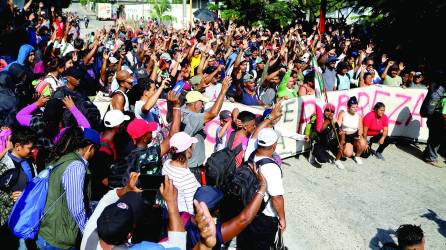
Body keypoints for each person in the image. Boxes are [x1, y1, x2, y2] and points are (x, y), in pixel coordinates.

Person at [81, 173, 189, 250]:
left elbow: (105, 200)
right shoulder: (144, 248)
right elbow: (178, 246)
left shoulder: (89, 235)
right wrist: (172, 203)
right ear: (129, 235)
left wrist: (127, 189)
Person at [38, 127, 100, 249]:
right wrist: (88, 233)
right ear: (91, 148)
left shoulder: (62, 158)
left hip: (48, 231)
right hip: (60, 238)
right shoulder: (76, 167)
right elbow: (76, 207)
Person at [238, 128, 285, 250]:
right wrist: (282, 218)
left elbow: (253, 135)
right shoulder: (271, 168)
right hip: (264, 217)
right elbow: (277, 197)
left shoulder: (250, 154)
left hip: (246, 209)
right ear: (274, 145)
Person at [181, 76, 231, 182]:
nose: (203, 105)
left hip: (188, 165)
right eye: (201, 102)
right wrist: (223, 91)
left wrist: (198, 89)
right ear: (194, 104)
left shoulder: (183, 110)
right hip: (191, 168)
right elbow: (213, 113)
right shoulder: (193, 117)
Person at [89, 110, 130, 203]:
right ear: (118, 126)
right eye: (123, 124)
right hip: (100, 197)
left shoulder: (101, 136)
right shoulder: (104, 152)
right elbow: (104, 181)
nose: (124, 126)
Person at [162, 132, 201, 214]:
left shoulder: (166, 163)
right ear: (188, 150)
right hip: (182, 218)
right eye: (191, 146)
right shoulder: (187, 177)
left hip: (168, 211)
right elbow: (192, 208)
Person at [337, 96, 368, 165]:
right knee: (347, 154)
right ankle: (351, 149)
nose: (355, 109)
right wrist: (339, 130)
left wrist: (359, 137)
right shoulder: (343, 114)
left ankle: (357, 156)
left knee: (363, 142)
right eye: (353, 107)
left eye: (356, 107)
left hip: (355, 135)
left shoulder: (358, 116)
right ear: (348, 107)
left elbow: (360, 129)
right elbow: (338, 125)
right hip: (346, 135)